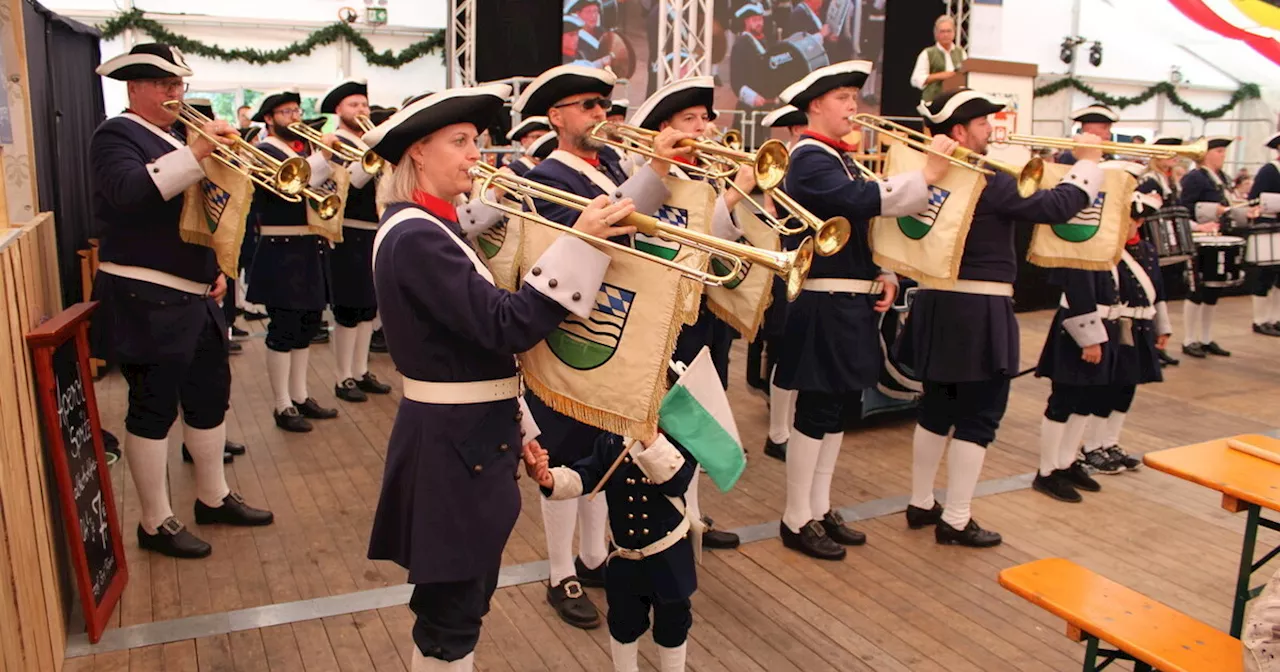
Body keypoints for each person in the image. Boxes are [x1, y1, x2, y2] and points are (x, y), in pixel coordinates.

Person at [363, 83, 633, 672]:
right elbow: (504, 328)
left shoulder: (433, 227)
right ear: (417, 152)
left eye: (476, 142)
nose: (474, 154)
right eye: (459, 142)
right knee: (452, 612)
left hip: (467, 434)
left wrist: (526, 427)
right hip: (452, 444)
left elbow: (478, 353)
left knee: (458, 605)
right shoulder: (415, 236)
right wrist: (582, 241)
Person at [513, 63, 689, 628]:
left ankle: (593, 557)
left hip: (616, 320)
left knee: (603, 447)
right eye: (588, 106)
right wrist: (657, 165)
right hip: (570, 332)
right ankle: (560, 570)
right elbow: (603, 224)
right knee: (563, 448)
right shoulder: (547, 175)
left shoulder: (610, 162)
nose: (601, 116)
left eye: (604, 107)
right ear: (557, 116)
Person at [89, 43, 273, 559]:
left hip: (193, 294)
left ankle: (212, 497)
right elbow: (129, 192)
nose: (175, 94)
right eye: (164, 85)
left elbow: (195, 213)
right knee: (152, 408)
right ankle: (155, 521)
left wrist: (213, 266)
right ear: (135, 88)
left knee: (209, 397)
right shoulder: (115, 135)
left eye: (179, 85)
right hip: (142, 292)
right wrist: (195, 153)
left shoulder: (173, 134)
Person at [899, 89, 1103, 547]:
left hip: (936, 303)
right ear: (959, 132)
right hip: (979, 308)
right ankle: (955, 518)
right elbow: (1056, 209)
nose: (990, 130)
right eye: (982, 125)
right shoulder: (985, 176)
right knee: (980, 417)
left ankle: (920, 502)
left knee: (936, 409)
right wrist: (1088, 162)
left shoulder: (925, 172)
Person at [774, 60, 956, 560]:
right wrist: (927, 174)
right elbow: (858, 200)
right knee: (816, 409)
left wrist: (886, 272)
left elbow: (862, 225)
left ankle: (819, 505)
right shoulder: (809, 157)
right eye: (842, 99)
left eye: (855, 97)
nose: (854, 106)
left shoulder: (839, 156)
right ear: (815, 106)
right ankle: (796, 517)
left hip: (848, 297)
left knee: (836, 411)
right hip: (823, 299)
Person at [629, 76, 748, 550]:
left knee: (703, 415)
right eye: (690, 121)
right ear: (665, 130)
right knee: (673, 419)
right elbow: (683, 239)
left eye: (705, 119)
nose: (703, 129)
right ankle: (669, 516)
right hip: (670, 316)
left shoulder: (705, 177)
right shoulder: (655, 180)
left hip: (708, 312)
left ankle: (693, 513)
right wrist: (734, 197)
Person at [1033, 188, 1169, 501]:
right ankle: (1046, 471)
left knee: (1085, 400)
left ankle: (1066, 462)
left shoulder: (1107, 248)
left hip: (1104, 331)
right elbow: (1079, 294)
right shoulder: (1085, 246)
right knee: (1063, 402)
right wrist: (1090, 340)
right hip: (1079, 332)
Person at [532, 429, 696, 672]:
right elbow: (586, 474)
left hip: (669, 556)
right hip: (625, 558)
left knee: (673, 624)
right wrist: (551, 479)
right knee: (623, 623)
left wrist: (650, 439)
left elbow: (676, 481)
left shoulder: (680, 435)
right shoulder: (612, 440)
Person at [246, 90, 342, 432]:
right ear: (269, 118)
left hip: (310, 245)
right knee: (283, 329)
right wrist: (324, 156)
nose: (295, 117)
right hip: (280, 246)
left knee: (307, 325)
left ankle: (300, 395)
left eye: (297, 111)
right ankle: (281, 404)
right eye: (286, 112)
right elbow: (287, 189)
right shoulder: (264, 150)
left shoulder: (305, 150)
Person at [321, 79, 394, 403]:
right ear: (339, 110)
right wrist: (373, 154)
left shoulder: (368, 140)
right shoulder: (334, 141)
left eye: (364, 105)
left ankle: (361, 370)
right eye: (354, 105)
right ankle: (342, 377)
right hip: (347, 228)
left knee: (367, 306)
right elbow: (348, 183)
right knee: (349, 307)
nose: (361, 110)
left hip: (372, 227)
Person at [755, 103, 808, 462]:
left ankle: (785, 428)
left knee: (793, 352)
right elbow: (772, 212)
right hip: (785, 261)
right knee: (784, 351)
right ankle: (778, 432)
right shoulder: (786, 160)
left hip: (800, 263)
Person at [1180, 136, 1255, 358]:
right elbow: (1186, 208)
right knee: (1197, 288)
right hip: (1201, 238)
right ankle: (1189, 338)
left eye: (1223, 151)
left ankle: (1205, 337)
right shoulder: (1195, 177)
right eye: (1219, 151)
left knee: (1213, 290)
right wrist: (1209, 216)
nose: (1223, 155)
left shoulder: (1221, 177)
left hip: (1219, 237)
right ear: (1205, 154)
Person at [1136, 135, 1188, 366]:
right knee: (1151, 293)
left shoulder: (1170, 181)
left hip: (1164, 244)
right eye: (1169, 153)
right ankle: (1150, 345)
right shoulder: (1149, 180)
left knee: (1160, 292)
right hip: (1151, 242)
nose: (1174, 158)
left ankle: (1158, 342)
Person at [1247, 132, 1280, 336]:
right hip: (1269, 228)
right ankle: (1259, 320)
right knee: (1265, 275)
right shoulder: (1269, 170)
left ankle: (1276, 317)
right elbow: (1254, 200)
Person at [730, 4, 772, 144]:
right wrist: (753, 97)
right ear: (746, 22)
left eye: (760, 19)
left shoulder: (763, 42)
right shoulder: (741, 44)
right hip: (748, 109)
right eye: (754, 20)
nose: (759, 23)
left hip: (764, 108)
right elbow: (736, 80)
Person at [909, 15, 965, 104]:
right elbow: (916, 79)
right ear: (936, 34)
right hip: (933, 101)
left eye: (949, 31)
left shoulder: (961, 52)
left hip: (955, 102)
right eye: (942, 31)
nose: (946, 34)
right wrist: (941, 76)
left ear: (954, 33)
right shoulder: (928, 53)